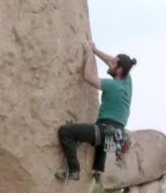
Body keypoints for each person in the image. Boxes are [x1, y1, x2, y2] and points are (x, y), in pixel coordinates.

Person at [56, 42, 136, 183]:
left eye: (112, 63)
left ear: (119, 69)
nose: (109, 63)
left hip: (105, 132)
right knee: (103, 134)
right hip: (116, 134)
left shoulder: (112, 85)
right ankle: (98, 169)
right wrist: (96, 51)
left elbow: (88, 77)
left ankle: (74, 171)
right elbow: (112, 60)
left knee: (65, 132)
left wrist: (88, 54)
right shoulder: (127, 82)